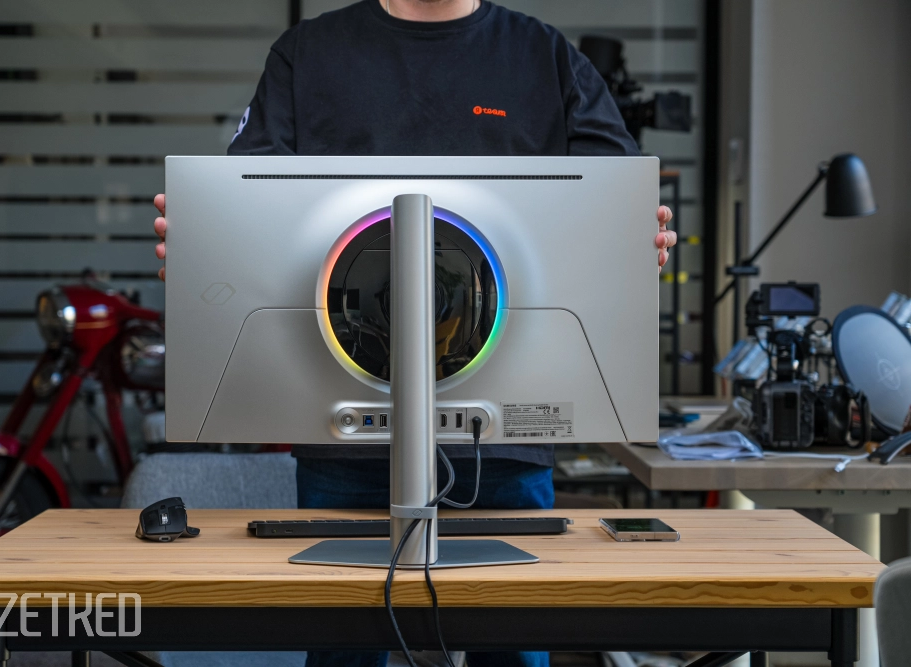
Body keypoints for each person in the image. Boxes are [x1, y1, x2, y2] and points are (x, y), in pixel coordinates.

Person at [152, 2, 676, 666]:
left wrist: (641, 244)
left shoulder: (543, 57)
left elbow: (616, 215)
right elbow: (244, 213)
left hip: (502, 440)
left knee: (513, 649)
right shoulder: (308, 55)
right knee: (343, 650)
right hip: (344, 429)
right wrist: (202, 250)